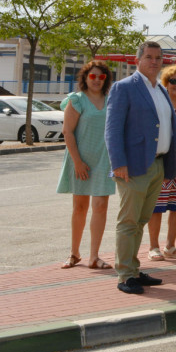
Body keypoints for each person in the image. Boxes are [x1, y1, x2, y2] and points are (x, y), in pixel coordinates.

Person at [104, 40, 176, 295]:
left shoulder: (161, 89)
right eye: (149, 57)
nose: (154, 61)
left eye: (158, 57)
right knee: (128, 221)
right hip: (133, 166)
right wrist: (119, 164)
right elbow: (112, 129)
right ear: (138, 60)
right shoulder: (124, 88)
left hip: (157, 164)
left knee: (142, 220)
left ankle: (134, 269)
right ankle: (125, 275)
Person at [56, 60, 116, 271]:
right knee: (80, 207)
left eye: (101, 76)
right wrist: (78, 162)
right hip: (80, 160)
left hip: (104, 160)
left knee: (100, 206)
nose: (97, 80)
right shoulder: (77, 100)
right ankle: (74, 253)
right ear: (85, 77)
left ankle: (94, 256)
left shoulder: (111, 100)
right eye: (93, 76)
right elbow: (67, 132)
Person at [145, 64, 176, 262]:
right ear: (166, 82)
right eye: (173, 81)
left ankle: (171, 245)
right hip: (163, 160)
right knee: (157, 205)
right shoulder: (160, 102)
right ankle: (153, 246)